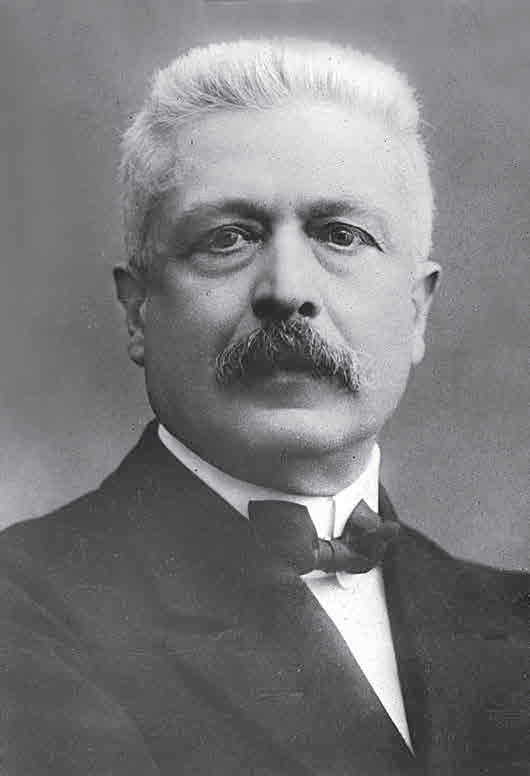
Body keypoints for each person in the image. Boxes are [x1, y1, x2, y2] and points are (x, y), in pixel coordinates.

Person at [1, 39, 528, 776]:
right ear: (139, 312)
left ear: (416, 312)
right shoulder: (24, 609)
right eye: (228, 239)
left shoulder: (514, 623)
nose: (287, 289)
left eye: (342, 235)